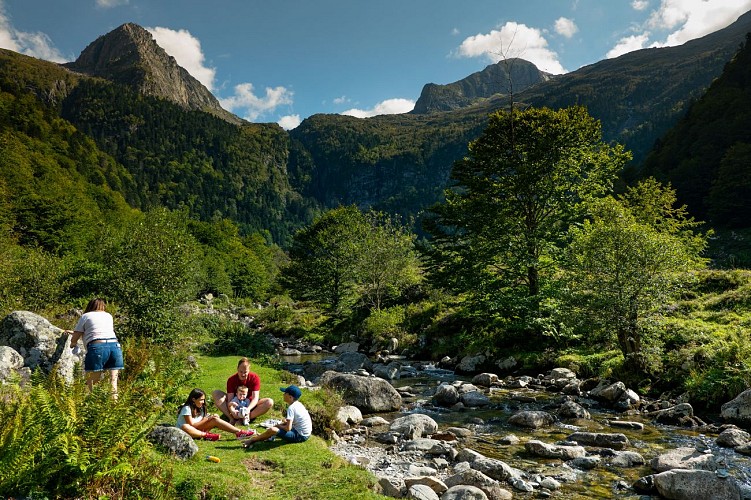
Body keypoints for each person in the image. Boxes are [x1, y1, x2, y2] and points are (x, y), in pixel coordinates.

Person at [66, 298, 124, 395]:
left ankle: (90, 405)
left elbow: (78, 334)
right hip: (115, 347)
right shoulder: (108, 316)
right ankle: (114, 406)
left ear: (90, 306)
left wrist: (73, 343)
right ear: (103, 306)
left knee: (92, 382)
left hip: (98, 348)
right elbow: (100, 331)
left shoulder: (86, 316)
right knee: (113, 383)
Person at [242, 385, 311, 448]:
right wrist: (281, 425)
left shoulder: (291, 408)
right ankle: (266, 436)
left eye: (285, 393)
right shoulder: (298, 404)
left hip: (300, 436)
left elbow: (288, 428)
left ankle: (252, 440)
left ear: (290, 397)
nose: (283, 394)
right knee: (281, 424)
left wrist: (277, 426)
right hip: (304, 433)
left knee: (273, 430)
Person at [177, 388, 255, 440]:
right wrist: (207, 419)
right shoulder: (187, 408)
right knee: (185, 426)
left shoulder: (200, 407)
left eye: (204, 400)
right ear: (193, 399)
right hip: (187, 431)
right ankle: (206, 435)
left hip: (197, 430)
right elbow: (192, 426)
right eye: (201, 400)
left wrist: (210, 417)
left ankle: (239, 432)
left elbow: (201, 420)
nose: (203, 402)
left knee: (215, 418)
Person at [212, 357, 273, 423]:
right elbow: (230, 399)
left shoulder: (254, 378)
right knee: (216, 393)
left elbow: (255, 398)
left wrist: (248, 409)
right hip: (236, 403)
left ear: (249, 370)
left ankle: (246, 417)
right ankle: (231, 418)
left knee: (269, 402)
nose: (243, 374)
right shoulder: (231, 380)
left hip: (250, 403)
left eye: (245, 372)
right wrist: (232, 410)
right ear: (237, 369)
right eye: (241, 372)